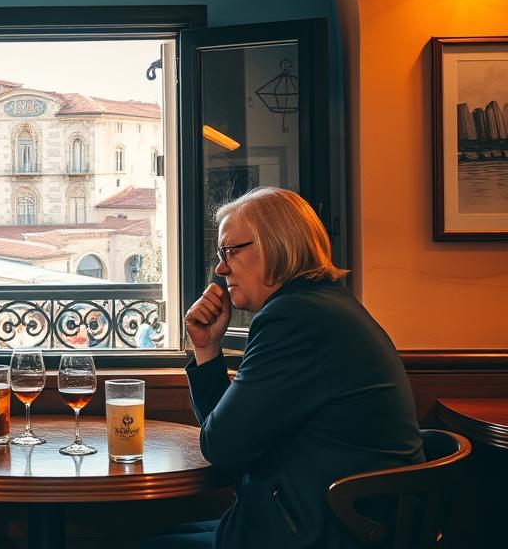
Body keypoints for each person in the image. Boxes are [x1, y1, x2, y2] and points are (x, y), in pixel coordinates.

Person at [146, 187, 423, 549]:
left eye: (231, 251)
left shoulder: (293, 319)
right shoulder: (324, 305)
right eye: (220, 254)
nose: (221, 268)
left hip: (326, 531)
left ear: (276, 246)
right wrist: (207, 348)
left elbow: (222, 448)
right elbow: (229, 440)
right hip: (336, 519)